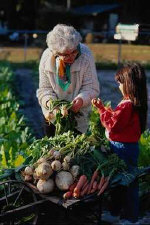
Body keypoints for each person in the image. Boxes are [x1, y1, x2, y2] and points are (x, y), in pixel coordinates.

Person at [92, 62, 148, 224]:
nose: (118, 87)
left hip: (122, 149)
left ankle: (128, 217)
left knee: (125, 182)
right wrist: (106, 110)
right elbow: (119, 122)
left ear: (129, 84)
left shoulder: (127, 105)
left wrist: (102, 109)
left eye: (120, 83)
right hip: (129, 147)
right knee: (123, 180)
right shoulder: (135, 103)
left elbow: (113, 125)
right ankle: (120, 213)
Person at [36, 24, 100, 137]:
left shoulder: (85, 55)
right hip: (53, 115)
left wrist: (81, 100)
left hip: (79, 115)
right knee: (53, 147)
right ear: (56, 53)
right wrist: (51, 104)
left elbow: (91, 87)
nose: (71, 57)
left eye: (74, 52)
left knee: (76, 149)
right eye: (66, 55)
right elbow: (45, 89)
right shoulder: (46, 58)